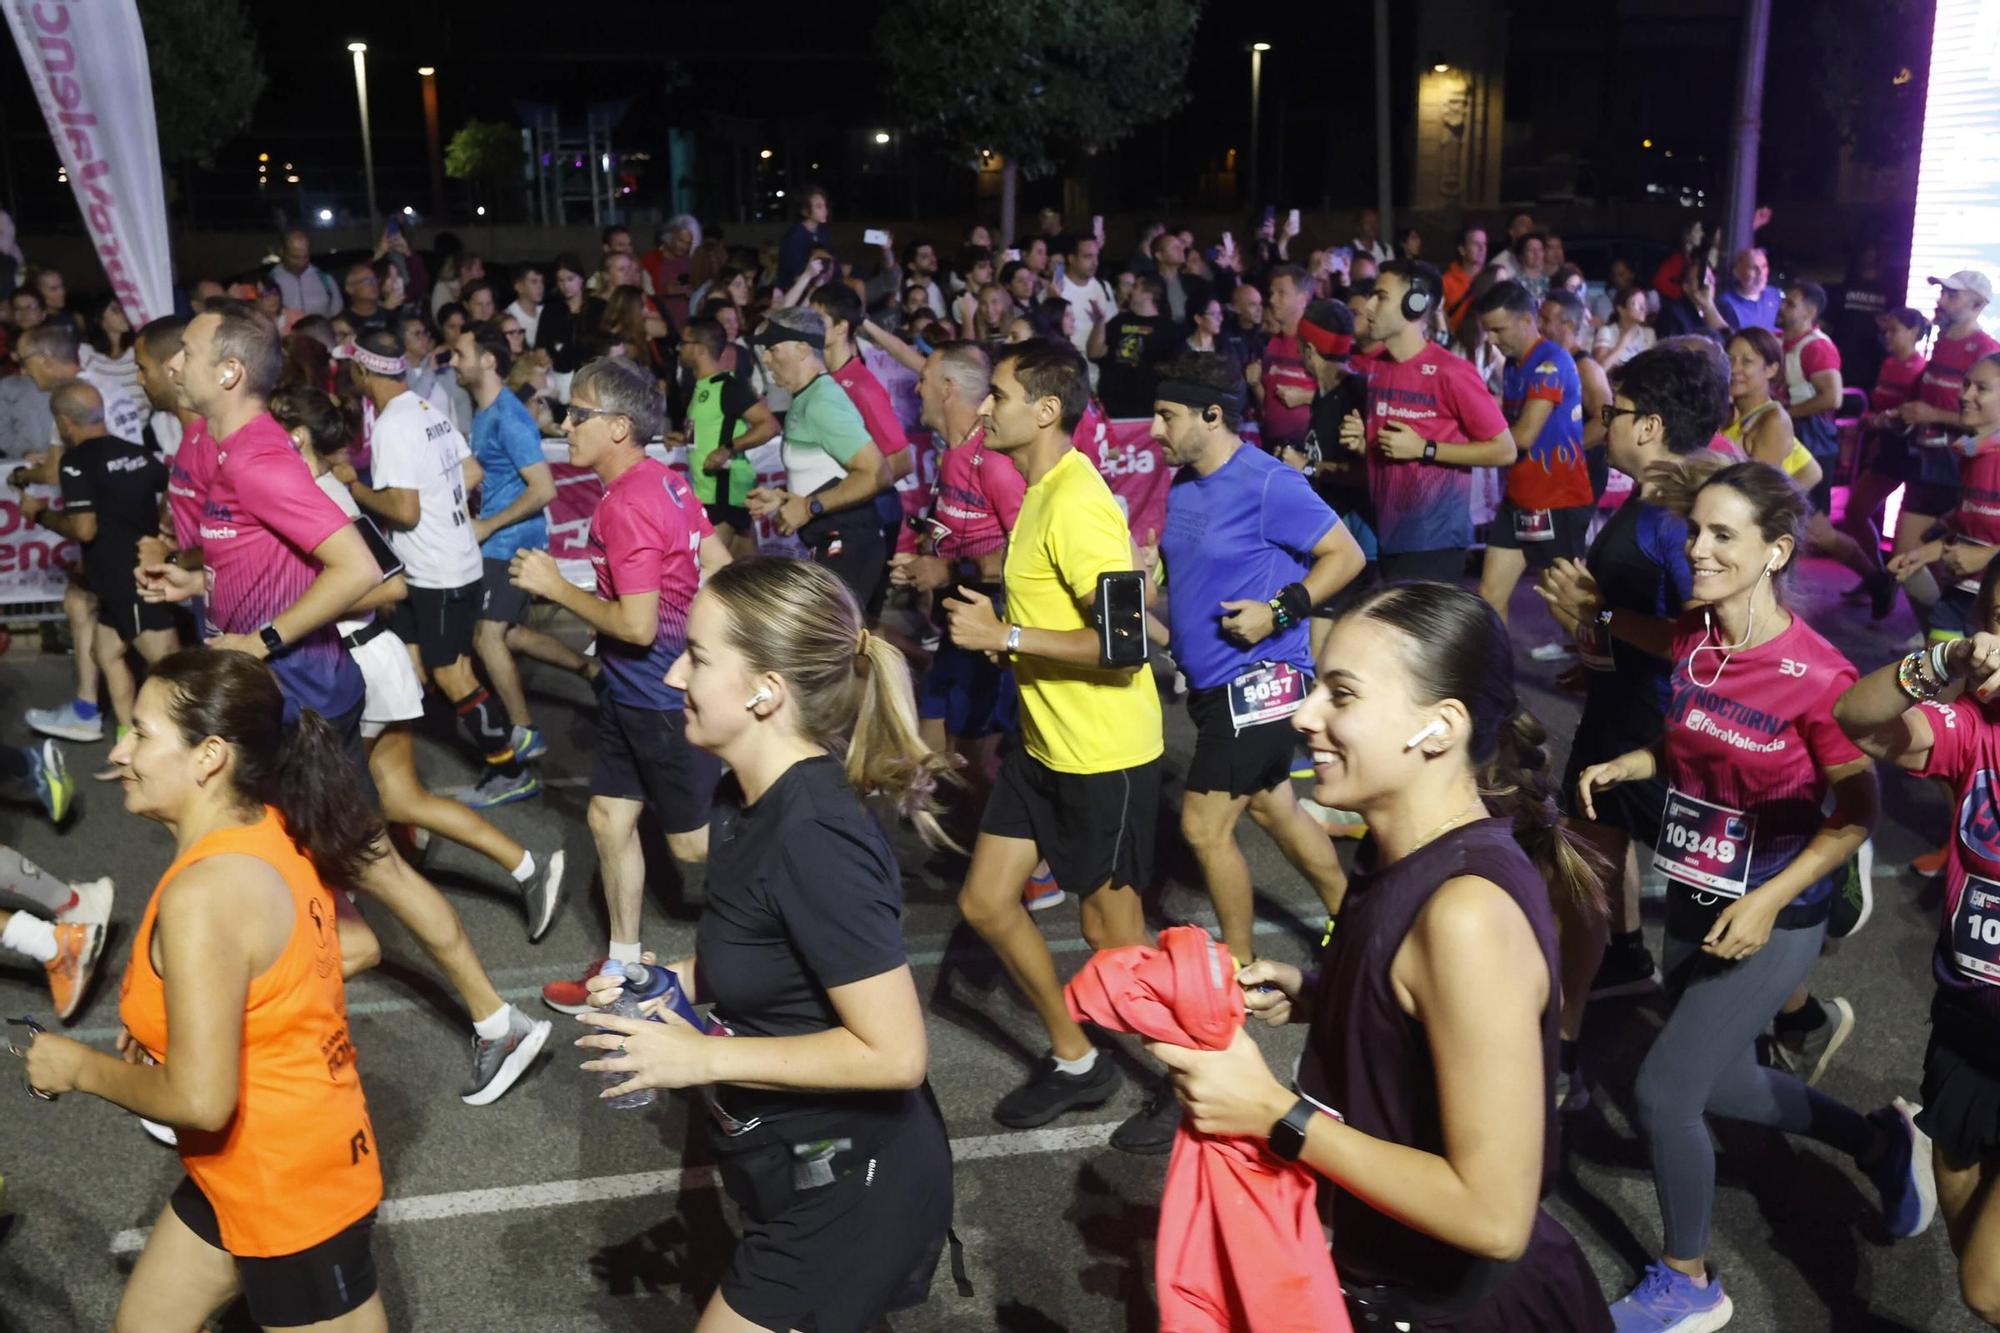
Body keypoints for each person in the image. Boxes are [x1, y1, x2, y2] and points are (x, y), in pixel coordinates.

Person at [1150, 581, 1611, 1331]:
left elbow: (1495, 1214)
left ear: (1438, 727)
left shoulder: (1466, 917)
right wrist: (1316, 991)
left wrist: (1274, 1112)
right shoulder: (1396, 852)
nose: (1304, 716)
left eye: (1343, 694)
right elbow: (1417, 1011)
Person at [137, 303, 551, 1106]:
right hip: (268, 700)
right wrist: (193, 583)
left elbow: (357, 567)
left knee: (373, 863)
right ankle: (238, 1023)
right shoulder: (224, 451)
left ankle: (500, 1020)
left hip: (307, 703)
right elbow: (257, 559)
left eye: (184, 350)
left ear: (226, 372)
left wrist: (260, 640)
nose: (169, 362)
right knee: (248, 859)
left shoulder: (258, 458)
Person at [1578, 459, 1934, 1329]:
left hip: (1779, 906)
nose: (1696, 548)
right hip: (1700, 885)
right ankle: (1879, 1138)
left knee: (1664, 1092)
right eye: (1695, 530)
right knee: (1719, 1076)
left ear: (1776, 550)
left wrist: (1771, 901)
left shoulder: (1821, 679)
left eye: (1721, 535)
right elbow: (1697, 742)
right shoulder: (1700, 634)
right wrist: (1639, 760)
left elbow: (1856, 817)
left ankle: (1690, 1280)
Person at [575, 557, 953, 1332]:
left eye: (699, 657)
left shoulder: (814, 833)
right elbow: (771, 950)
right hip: (794, 1164)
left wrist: (699, 1058)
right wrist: (665, 977)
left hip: (856, 1184)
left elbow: (896, 1054)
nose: (675, 673)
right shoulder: (742, 799)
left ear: (764, 691)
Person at [17, 650, 389, 1331]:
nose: (121, 751)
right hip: (239, 1173)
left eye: (141, 733)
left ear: (209, 755)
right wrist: (184, 1017)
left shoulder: (205, 894)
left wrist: (76, 1066)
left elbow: (200, 1099)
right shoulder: (271, 825)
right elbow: (354, 944)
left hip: (293, 1190)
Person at [941, 338, 1168, 1148]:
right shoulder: (1038, 489)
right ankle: (1079, 1062)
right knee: (985, 902)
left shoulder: (1076, 500)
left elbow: (1123, 641)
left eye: (997, 395)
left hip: (1104, 752)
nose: (982, 407)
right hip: (1044, 747)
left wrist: (1002, 633)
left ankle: (1196, 1076)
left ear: (1045, 409)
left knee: (1115, 940)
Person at [270, 382, 565, 941]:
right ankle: (530, 865)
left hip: (362, 665)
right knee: (402, 798)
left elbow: (387, 584)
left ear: (298, 437)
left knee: (314, 799)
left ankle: (336, 916)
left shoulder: (325, 497)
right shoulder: (316, 490)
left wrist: (294, 610)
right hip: (369, 661)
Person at [1536, 339, 1731, 1105]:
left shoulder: (1690, 518)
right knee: (1577, 877)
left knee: (1719, 904)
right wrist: (1596, 652)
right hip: (1613, 723)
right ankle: (1563, 1052)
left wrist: (1600, 615)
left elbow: (1707, 639)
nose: (1602, 424)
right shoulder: (1646, 497)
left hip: (1666, 743)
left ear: (1648, 426)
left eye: (1610, 412)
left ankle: (1792, 1014)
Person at [507, 356, 731, 1011]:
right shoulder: (666, 481)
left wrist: (556, 587)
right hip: (632, 692)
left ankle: (809, 881)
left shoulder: (627, 504)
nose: (564, 423)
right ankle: (626, 969)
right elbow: (715, 562)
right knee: (608, 818)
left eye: (579, 414)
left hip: (657, 700)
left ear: (620, 427)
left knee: (691, 848)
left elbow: (634, 627)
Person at [1151, 351, 1362, 975]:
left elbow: (1344, 557)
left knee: (1202, 828)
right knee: (1276, 807)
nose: (1154, 429)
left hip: (1263, 681)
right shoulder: (1185, 481)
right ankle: (1353, 919)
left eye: (1167, 416)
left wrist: (1279, 611)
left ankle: (1238, 972)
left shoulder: (1271, 482)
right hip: (1213, 685)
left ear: (1212, 416)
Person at [1834, 566, 2000, 1329]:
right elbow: (1859, 720)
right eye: (1996, 618)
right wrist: (1942, 663)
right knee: (1963, 1203)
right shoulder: (1974, 730)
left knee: (1984, 1285)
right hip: (1966, 1022)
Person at [337, 328, 539, 809]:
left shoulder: (390, 426)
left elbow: (403, 511)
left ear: (363, 371)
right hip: (446, 561)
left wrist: (353, 487)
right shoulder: (428, 408)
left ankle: (508, 767)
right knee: (412, 661)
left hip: (437, 573)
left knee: (454, 676)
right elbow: (471, 472)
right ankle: (383, 766)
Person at [450, 323, 598, 763]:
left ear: (488, 361)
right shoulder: (484, 412)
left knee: (486, 636)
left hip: (512, 541)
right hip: (500, 538)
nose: (454, 362)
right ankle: (590, 669)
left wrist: (488, 524)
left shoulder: (509, 417)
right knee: (509, 634)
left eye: (461, 354)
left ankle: (525, 730)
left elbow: (544, 489)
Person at [889, 341, 1025, 813]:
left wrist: (947, 567)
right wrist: (924, 564)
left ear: (947, 388)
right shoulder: (953, 455)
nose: (915, 386)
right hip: (956, 622)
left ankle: (1032, 872)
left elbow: (1025, 550)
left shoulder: (995, 461)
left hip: (989, 625)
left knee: (975, 763)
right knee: (931, 746)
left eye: (923, 378)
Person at [17, 382, 175, 754]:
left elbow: (83, 529)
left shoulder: (76, 462)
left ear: (65, 421)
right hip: (116, 580)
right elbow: (173, 486)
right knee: (105, 654)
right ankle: (128, 745)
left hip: (129, 578)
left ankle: (192, 743)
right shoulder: (135, 453)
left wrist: (41, 514)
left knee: (170, 667)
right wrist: (165, 527)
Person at [1340, 261, 1516, 581]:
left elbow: (1504, 450)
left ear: (1415, 304)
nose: (1368, 306)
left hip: (1434, 542)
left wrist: (1425, 448)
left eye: (1380, 296)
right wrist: (1365, 443)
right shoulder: (1377, 367)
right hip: (1389, 535)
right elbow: (1393, 449)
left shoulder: (1452, 372)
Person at [745, 307, 888, 606]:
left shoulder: (822, 401)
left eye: (772, 349)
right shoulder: (806, 397)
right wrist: (785, 498)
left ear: (802, 348)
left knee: (827, 644)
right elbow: (826, 473)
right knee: (857, 638)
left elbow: (877, 472)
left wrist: (809, 507)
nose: (766, 359)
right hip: (833, 537)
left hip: (849, 541)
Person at [1473, 281, 1591, 627]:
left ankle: (1602, 675)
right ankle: (1497, 680)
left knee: (1566, 605)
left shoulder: (1552, 362)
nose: (1492, 340)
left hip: (1557, 500)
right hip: (1519, 499)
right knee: (1489, 597)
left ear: (1527, 320)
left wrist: (1457, 451)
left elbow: (1522, 436)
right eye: (1487, 331)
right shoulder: (1513, 365)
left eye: (1498, 329)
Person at [1891, 271, 2000, 642]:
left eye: (1953, 295)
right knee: (1912, 555)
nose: (1966, 394)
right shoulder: (1974, 452)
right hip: (1932, 456)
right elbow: (1969, 525)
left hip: (1987, 595)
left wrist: (1985, 560)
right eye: (1966, 385)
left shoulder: (1984, 348)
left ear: (1977, 304)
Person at [1839, 307, 1932, 600]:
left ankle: (1884, 583)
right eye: (1885, 330)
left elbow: (1911, 416)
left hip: (1909, 455)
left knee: (1900, 532)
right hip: (1886, 449)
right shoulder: (1889, 363)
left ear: (1914, 333)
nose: (1886, 336)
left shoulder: (1921, 370)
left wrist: (1885, 420)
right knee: (1857, 512)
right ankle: (1877, 577)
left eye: (1894, 330)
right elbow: (1881, 408)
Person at [676, 317, 778, 559]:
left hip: (722, 493)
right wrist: (683, 438)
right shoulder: (701, 388)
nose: (679, 348)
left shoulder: (728, 385)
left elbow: (769, 425)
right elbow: (714, 429)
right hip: (714, 494)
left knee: (705, 577)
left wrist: (727, 449)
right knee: (744, 581)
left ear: (700, 348)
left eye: (684, 342)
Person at [1249, 265, 1318, 454]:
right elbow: (1267, 403)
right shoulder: (1270, 344)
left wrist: (1304, 397)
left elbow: (1339, 396)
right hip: (1272, 447)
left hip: (1308, 450)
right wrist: (1255, 385)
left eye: (1281, 293)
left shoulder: (1318, 344)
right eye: (1272, 293)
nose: (1272, 299)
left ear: (1302, 299)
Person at [1094, 275, 1179, 418]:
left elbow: (1175, 371)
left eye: (1135, 287)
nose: (1130, 291)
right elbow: (1095, 353)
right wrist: (1099, 321)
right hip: (1112, 406)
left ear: (1147, 294)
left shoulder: (1170, 330)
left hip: (1148, 409)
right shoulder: (1118, 321)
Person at [268, 229, 342, 321]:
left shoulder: (325, 280)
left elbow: (337, 315)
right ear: (282, 251)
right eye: (295, 257)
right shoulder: (270, 281)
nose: (301, 262)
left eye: (305, 256)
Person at [1711, 247, 1780, 334]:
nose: (1761, 273)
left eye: (1764, 266)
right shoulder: (1727, 304)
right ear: (1737, 272)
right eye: (1754, 268)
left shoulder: (1773, 295)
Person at [777, 185, 834, 288]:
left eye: (825, 205)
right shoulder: (794, 237)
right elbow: (794, 273)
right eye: (818, 207)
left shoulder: (823, 231)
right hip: (796, 287)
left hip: (821, 281)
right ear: (805, 211)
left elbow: (830, 260)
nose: (825, 210)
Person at [1594, 287, 1657, 369]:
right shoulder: (1607, 332)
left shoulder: (1649, 333)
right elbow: (1600, 369)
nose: (1643, 308)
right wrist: (1623, 342)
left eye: (1644, 303)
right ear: (1621, 310)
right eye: (1636, 304)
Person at [503, 265, 544, 348]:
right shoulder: (509, 315)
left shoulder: (546, 312)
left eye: (542, 282)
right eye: (534, 282)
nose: (540, 286)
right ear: (519, 287)